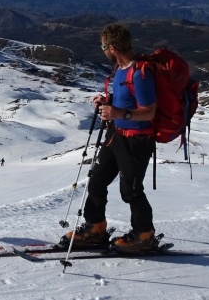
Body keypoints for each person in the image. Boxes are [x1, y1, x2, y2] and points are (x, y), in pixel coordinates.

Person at [65, 24, 157, 253]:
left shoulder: (140, 73)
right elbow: (127, 99)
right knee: (97, 180)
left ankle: (144, 235)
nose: (102, 49)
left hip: (136, 140)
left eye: (103, 46)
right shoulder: (120, 70)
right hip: (115, 135)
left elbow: (150, 111)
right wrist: (107, 102)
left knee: (131, 190)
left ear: (113, 48)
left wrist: (119, 113)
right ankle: (95, 228)